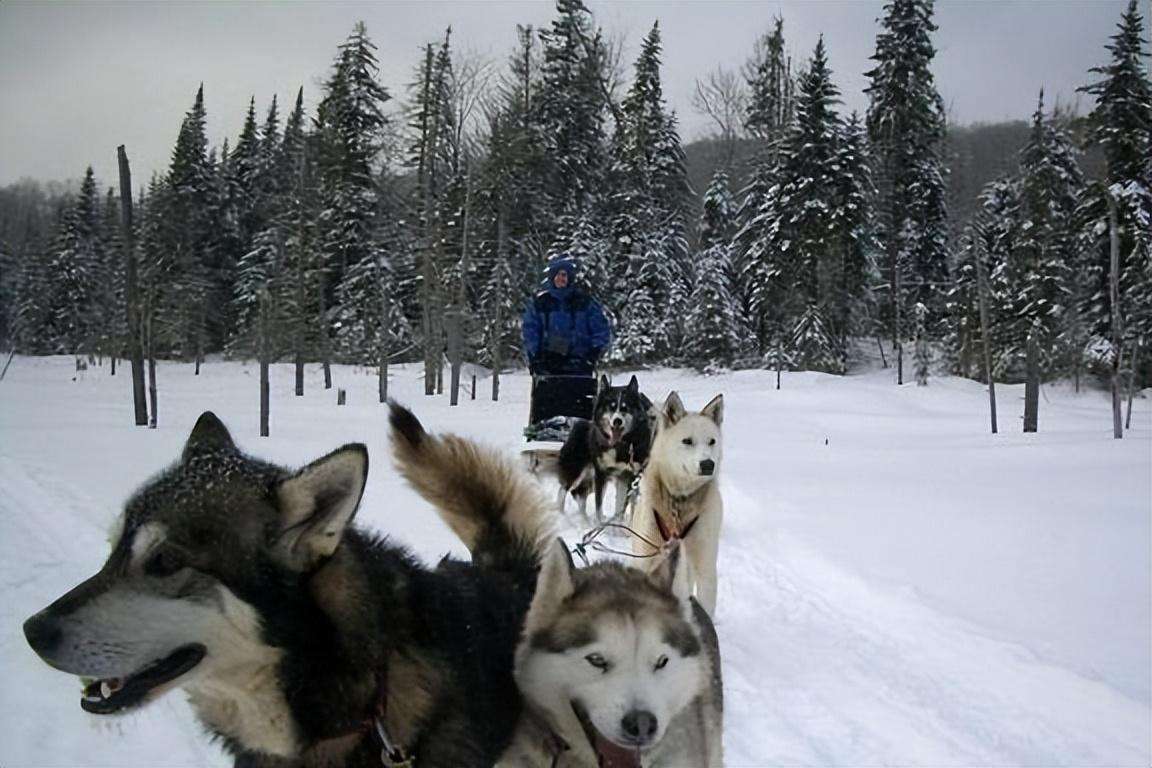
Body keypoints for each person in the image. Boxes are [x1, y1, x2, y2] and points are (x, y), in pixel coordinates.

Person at [522, 258, 611, 376]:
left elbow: (600, 329)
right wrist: (535, 357)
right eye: (557, 275)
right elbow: (530, 331)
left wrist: (593, 353)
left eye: (564, 275)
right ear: (552, 277)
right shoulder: (540, 304)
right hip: (547, 365)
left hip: (580, 364)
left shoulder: (585, 302)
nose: (561, 278)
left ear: (570, 278)